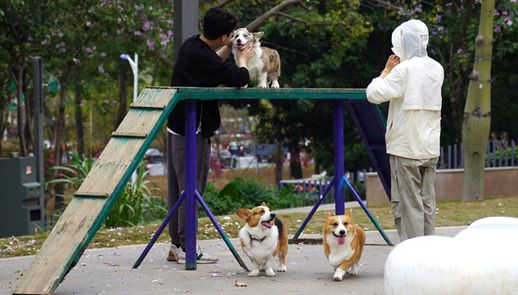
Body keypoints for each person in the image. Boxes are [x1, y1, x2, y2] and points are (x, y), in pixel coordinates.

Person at [167, 7, 253, 263]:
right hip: (192, 132)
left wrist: (229, 48)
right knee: (191, 191)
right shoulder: (204, 59)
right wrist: (244, 57)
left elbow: (213, 60)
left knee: (178, 191)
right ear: (226, 36)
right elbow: (241, 78)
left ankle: (176, 245)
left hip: (177, 126)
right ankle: (186, 248)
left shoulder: (192, 46)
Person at [366, 19, 444, 242]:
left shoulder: (403, 70)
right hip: (429, 147)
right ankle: (429, 251)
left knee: (408, 206)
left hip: (405, 148)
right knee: (427, 203)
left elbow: (373, 94)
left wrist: (386, 71)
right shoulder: (437, 68)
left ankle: (412, 257)